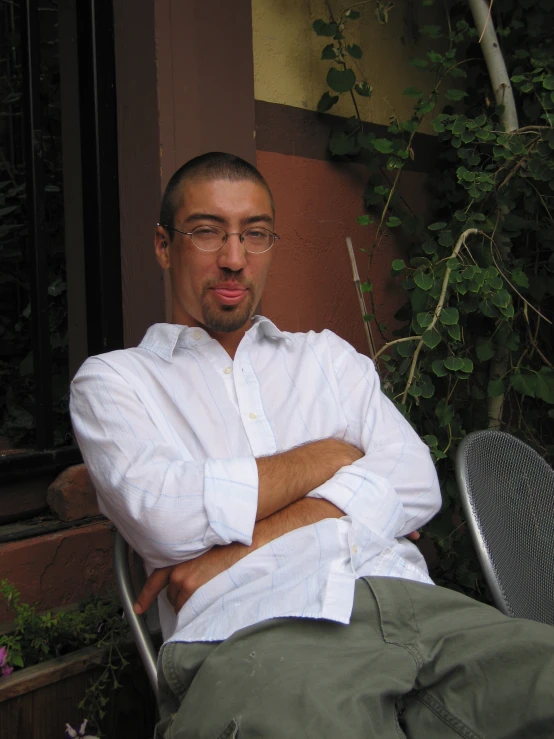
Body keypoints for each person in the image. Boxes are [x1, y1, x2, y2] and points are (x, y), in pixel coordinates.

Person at [70, 152, 554, 739]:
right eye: (206, 231)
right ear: (163, 246)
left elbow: (415, 482)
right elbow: (166, 517)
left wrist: (232, 548)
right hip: (258, 634)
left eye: (255, 234)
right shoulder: (116, 382)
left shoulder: (327, 358)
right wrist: (328, 458)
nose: (233, 259)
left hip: (418, 609)